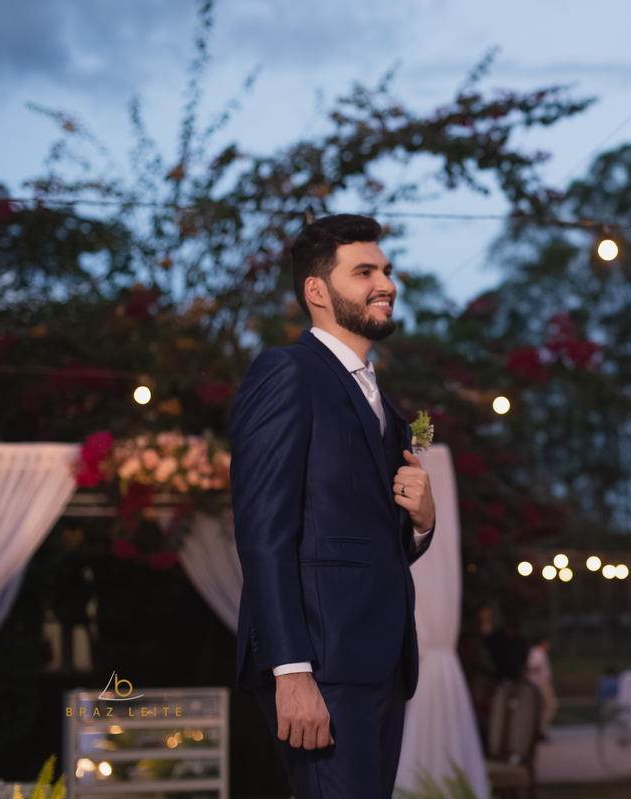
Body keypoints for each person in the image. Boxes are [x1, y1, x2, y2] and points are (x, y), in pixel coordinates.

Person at [230, 214, 436, 798]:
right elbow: (263, 533)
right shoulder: (286, 374)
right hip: (319, 665)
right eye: (364, 271)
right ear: (317, 291)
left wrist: (422, 523)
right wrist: (290, 672)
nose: (386, 284)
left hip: (383, 664)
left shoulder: (387, 407)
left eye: (387, 270)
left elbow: (372, 541)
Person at [526, 634, 557, 735]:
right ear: (543, 643)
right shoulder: (537, 652)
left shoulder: (540, 652)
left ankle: (540, 729)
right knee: (551, 705)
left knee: (544, 707)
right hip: (540, 683)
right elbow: (532, 665)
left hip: (542, 682)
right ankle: (540, 728)